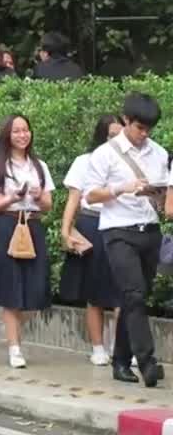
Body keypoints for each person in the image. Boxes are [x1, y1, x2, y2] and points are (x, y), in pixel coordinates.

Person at [83, 93, 171, 387]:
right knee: (133, 294)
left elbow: (164, 198)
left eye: (148, 129)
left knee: (133, 298)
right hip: (118, 230)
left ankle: (120, 361)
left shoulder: (158, 152)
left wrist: (158, 196)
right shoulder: (105, 154)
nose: (144, 135)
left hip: (149, 229)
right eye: (139, 128)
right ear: (125, 121)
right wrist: (122, 188)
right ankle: (147, 362)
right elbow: (90, 194)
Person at [0, 114, 54, 368]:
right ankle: (14, 347)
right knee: (11, 288)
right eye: (16, 131)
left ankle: (12, 329)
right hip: (6, 224)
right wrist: (10, 198)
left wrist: (37, 195)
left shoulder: (39, 166)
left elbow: (48, 206)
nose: (22, 135)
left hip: (32, 225)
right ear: (7, 136)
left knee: (36, 289)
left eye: (25, 130)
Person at [59, 114, 124, 366]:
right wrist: (66, 230)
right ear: (101, 136)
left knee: (123, 291)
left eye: (120, 134)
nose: (116, 140)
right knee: (95, 293)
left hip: (120, 224)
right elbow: (74, 199)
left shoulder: (127, 163)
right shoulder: (85, 161)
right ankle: (97, 347)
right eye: (111, 135)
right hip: (92, 224)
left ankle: (121, 347)